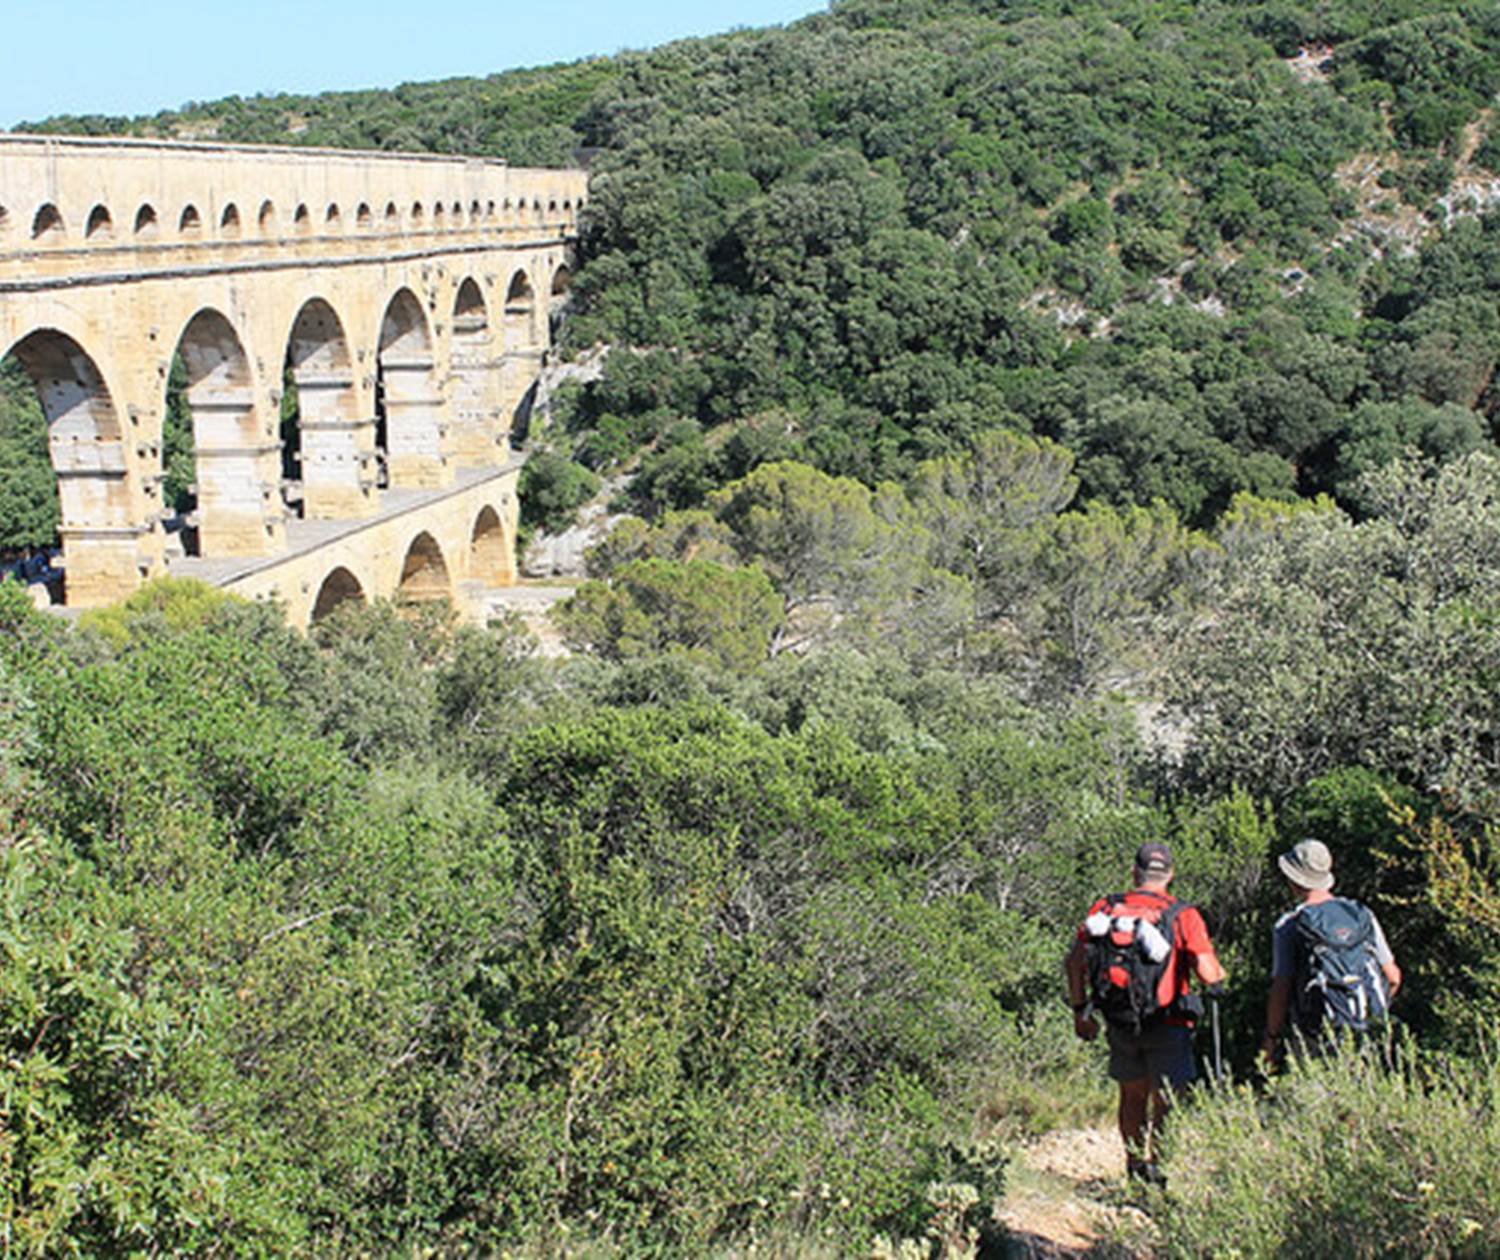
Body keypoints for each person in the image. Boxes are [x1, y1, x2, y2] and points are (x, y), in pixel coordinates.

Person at [1065, 843, 1225, 1184]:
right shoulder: (1182, 915)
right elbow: (1209, 974)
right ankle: (1159, 1171)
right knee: (1166, 1100)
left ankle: (1134, 1168)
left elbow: (1075, 962)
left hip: (1120, 1020)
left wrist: (1081, 1012)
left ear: (1134, 873)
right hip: (1168, 1020)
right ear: (1171, 875)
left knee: (1132, 1094)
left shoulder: (1106, 908)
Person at [1261, 839, 1401, 1064]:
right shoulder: (1362, 915)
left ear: (1294, 880)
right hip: (1367, 1032)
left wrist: (1271, 1038)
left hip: (1315, 1034)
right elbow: (1393, 977)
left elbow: (1282, 988)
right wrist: (1367, 1010)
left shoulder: (1289, 925)